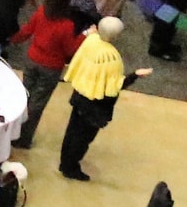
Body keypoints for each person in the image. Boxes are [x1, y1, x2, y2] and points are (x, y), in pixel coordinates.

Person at [55, 16, 140, 181]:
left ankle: (65, 162)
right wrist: (135, 75)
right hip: (95, 105)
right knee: (83, 138)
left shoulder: (91, 42)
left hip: (80, 94)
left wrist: (95, 31)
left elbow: (92, 34)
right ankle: (71, 167)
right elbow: (115, 85)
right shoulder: (112, 57)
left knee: (72, 132)